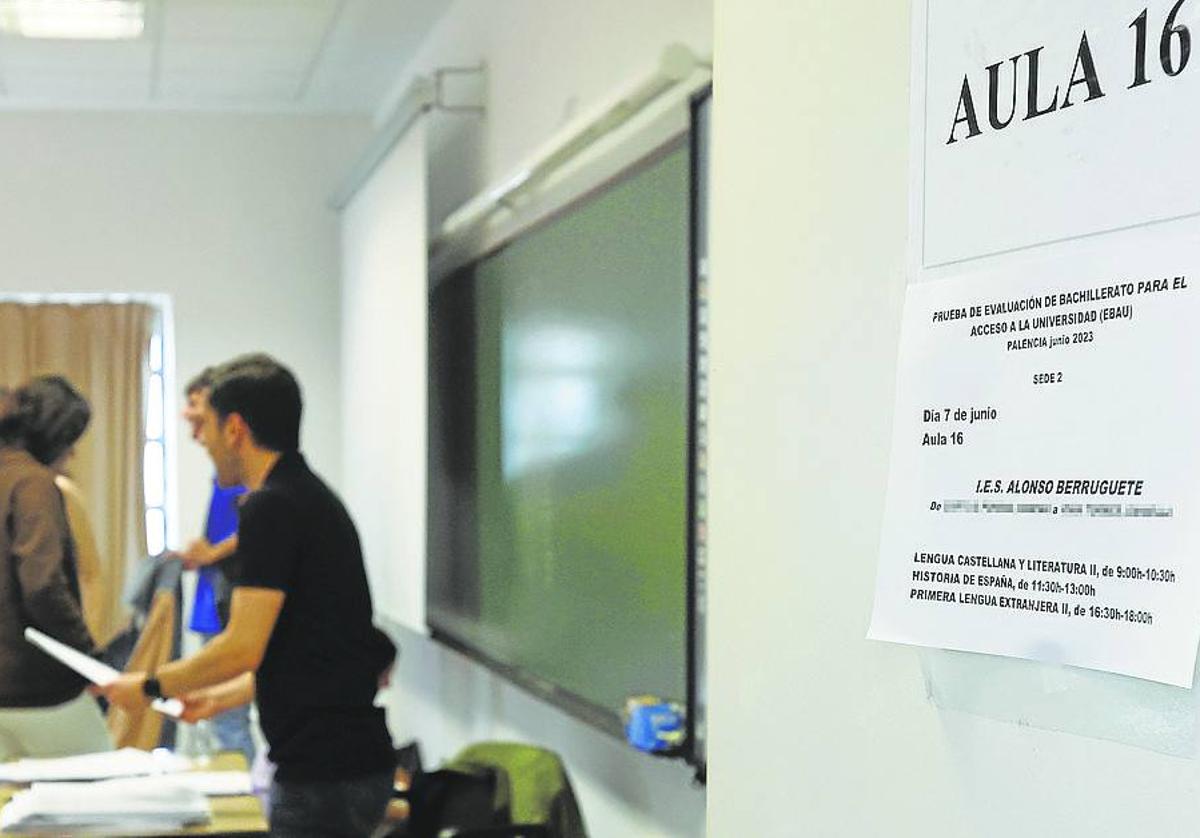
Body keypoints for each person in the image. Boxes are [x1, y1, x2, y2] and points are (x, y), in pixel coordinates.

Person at [103, 354, 396, 837]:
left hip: (324, 773)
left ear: (235, 427)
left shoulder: (272, 507)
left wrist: (150, 686)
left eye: (207, 426)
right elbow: (309, 657)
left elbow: (243, 646)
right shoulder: (303, 496)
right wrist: (218, 699)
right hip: (344, 764)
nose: (201, 439)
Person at [0, 378, 112, 761]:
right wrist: (91, 662)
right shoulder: (33, 483)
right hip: (38, 691)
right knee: (104, 800)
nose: (73, 454)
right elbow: (43, 585)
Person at [169, 368, 255, 765]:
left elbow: (259, 527)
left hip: (232, 601)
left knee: (228, 723)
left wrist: (213, 553)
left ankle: (245, 814)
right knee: (219, 719)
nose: (190, 420)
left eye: (196, 408)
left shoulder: (248, 470)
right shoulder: (222, 468)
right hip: (214, 596)